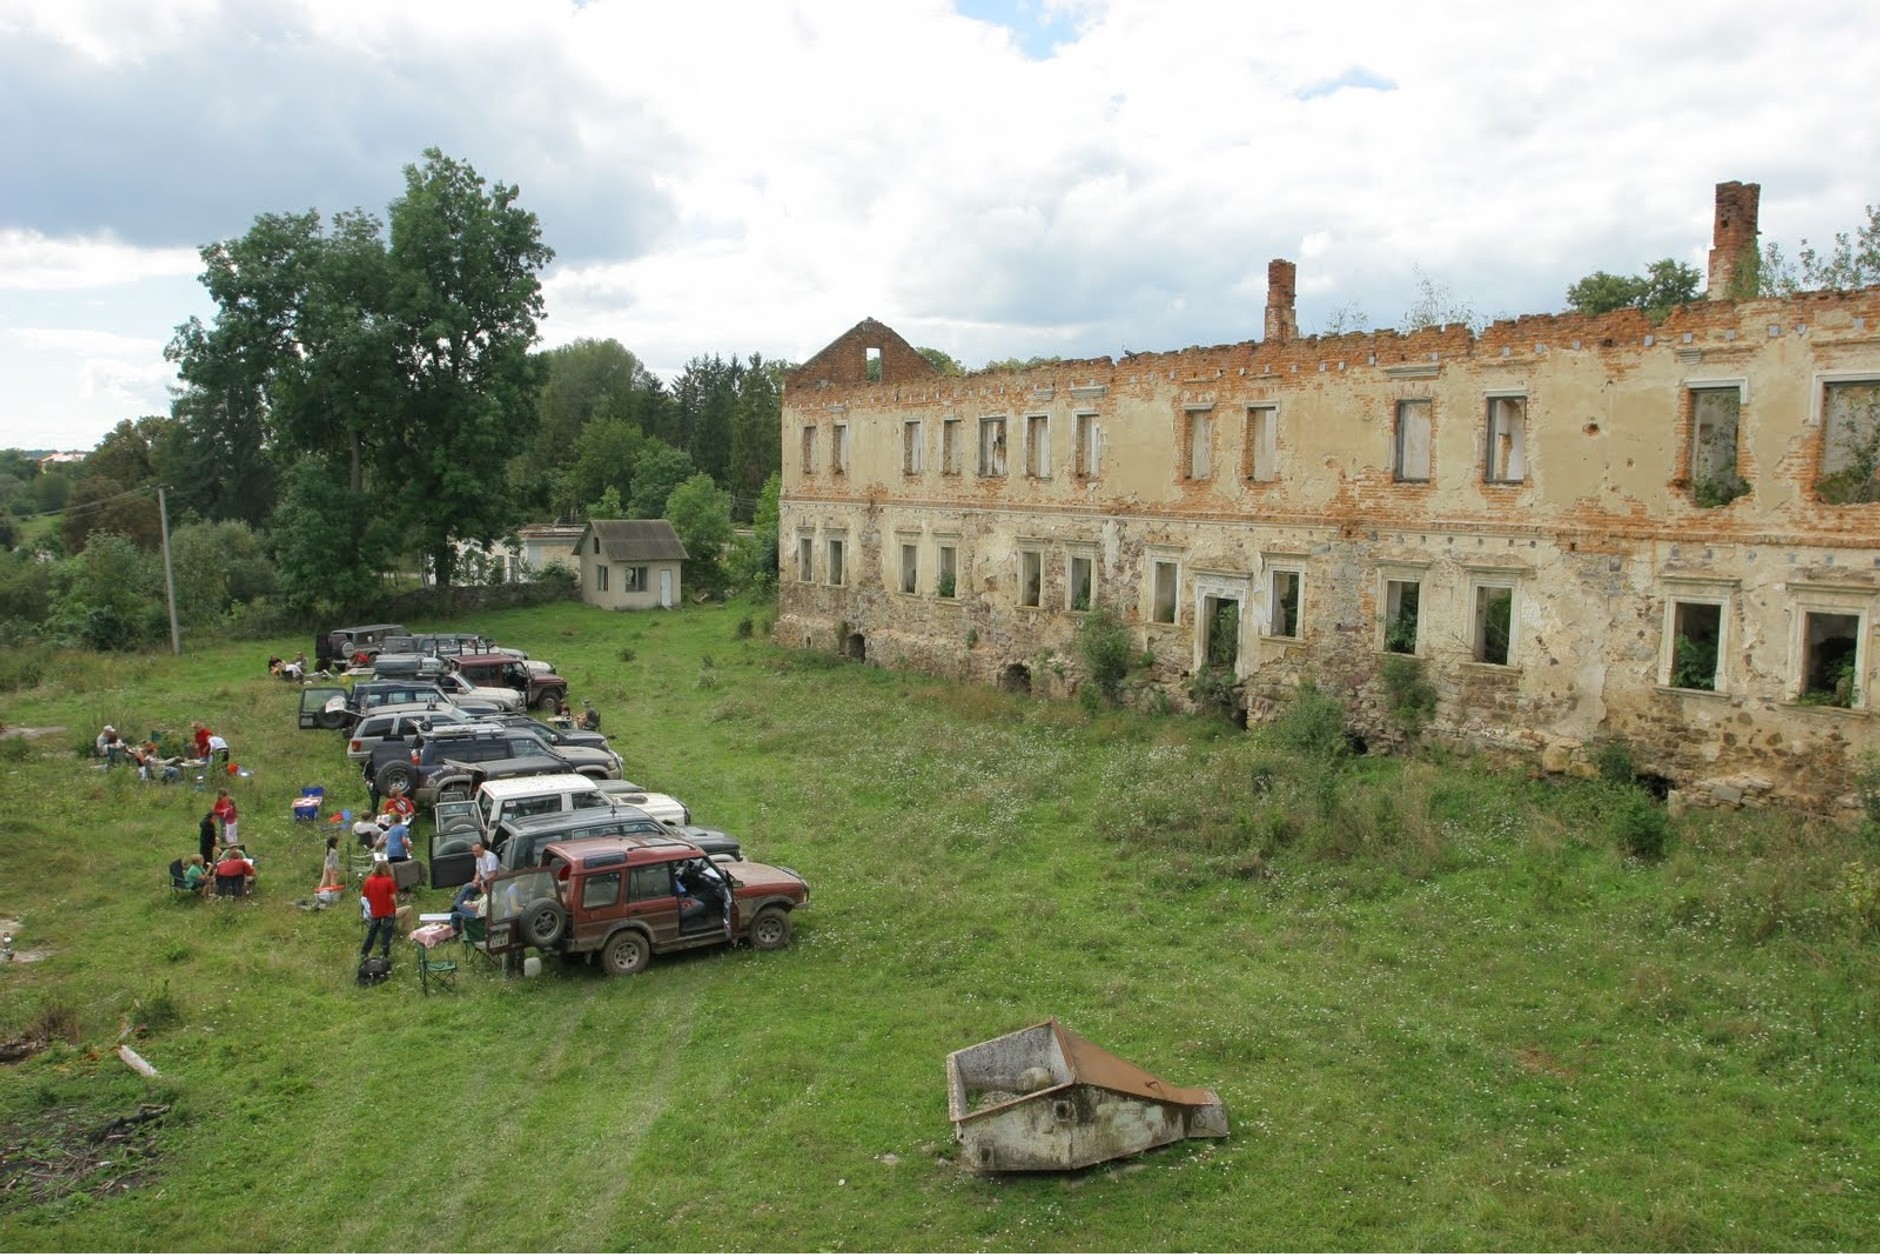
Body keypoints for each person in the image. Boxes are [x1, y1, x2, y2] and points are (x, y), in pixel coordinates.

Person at [359, 860, 398, 961]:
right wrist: (395, 907)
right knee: (387, 933)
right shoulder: (388, 880)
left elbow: (365, 897)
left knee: (372, 932)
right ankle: (384, 954)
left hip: (375, 910)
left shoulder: (369, 880)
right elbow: (393, 897)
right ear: (385, 869)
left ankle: (364, 952)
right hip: (388, 909)